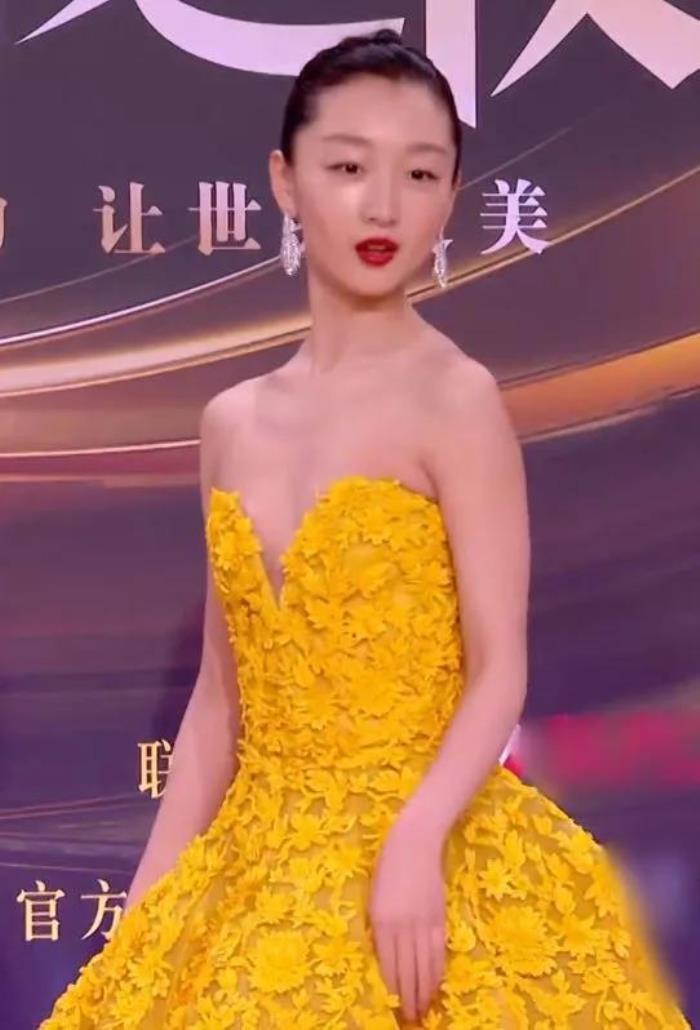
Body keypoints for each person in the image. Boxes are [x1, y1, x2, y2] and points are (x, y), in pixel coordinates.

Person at [39, 28, 690, 1029]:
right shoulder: (230, 422)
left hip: (431, 853)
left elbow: (498, 670)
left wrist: (416, 842)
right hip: (258, 861)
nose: (384, 205)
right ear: (286, 181)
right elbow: (219, 704)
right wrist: (144, 923)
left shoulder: (456, 399)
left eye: (419, 173)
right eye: (348, 167)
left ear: (450, 196)